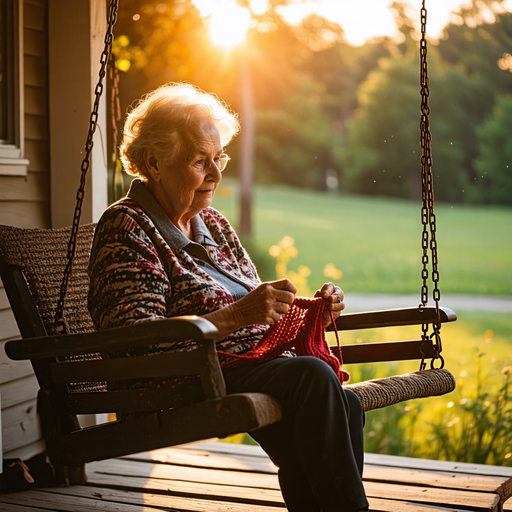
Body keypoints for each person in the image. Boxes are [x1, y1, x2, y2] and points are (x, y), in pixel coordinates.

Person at [88, 82, 369, 512]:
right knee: (313, 378)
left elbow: (256, 310)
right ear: (154, 163)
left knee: (342, 401)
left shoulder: (213, 222)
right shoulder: (126, 226)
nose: (217, 175)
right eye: (201, 161)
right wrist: (236, 316)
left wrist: (304, 309)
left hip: (244, 363)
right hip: (180, 375)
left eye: (218, 158)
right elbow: (132, 338)